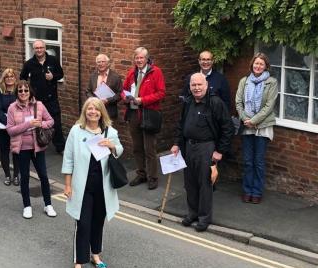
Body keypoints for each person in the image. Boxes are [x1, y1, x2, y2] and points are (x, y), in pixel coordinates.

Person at [62, 97, 123, 268]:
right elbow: (68, 158)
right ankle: (79, 262)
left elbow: (120, 150)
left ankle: (95, 254)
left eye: (96, 109)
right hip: (83, 187)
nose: (93, 112)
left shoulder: (109, 131)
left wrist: (112, 145)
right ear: (85, 112)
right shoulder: (76, 131)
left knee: (98, 222)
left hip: (103, 188)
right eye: (89, 109)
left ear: (101, 112)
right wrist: (67, 184)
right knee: (83, 224)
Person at [171, 73, 234, 232]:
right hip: (188, 147)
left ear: (206, 86)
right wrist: (177, 143)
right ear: (190, 87)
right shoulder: (187, 102)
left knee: (205, 184)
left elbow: (228, 128)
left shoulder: (215, 103)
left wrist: (220, 151)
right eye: (194, 85)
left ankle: (204, 217)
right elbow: (181, 124)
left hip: (207, 148)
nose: (197, 88)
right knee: (190, 183)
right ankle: (192, 213)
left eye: (200, 85)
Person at [6, 80, 57, 219]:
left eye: (26, 90)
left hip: (38, 147)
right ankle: (27, 206)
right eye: (20, 90)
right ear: (17, 93)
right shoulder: (12, 108)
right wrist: (27, 124)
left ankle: (48, 205)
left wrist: (41, 123)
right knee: (25, 178)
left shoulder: (39, 105)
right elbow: (10, 130)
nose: (23, 93)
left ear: (30, 92)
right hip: (22, 147)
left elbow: (51, 121)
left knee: (44, 176)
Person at [235, 52, 278, 204]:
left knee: (258, 161)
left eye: (261, 64)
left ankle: (257, 191)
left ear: (266, 66)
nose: (258, 66)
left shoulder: (271, 82)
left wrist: (254, 120)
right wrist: (245, 118)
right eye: (256, 63)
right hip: (247, 126)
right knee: (247, 161)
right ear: (252, 64)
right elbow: (239, 102)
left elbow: (269, 106)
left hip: (263, 127)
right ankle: (247, 190)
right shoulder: (244, 81)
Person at [121, 47, 165, 190]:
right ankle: (141, 174)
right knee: (137, 147)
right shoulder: (131, 72)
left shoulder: (155, 72)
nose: (139, 60)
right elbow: (124, 90)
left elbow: (161, 93)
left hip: (148, 114)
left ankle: (152, 177)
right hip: (133, 114)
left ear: (147, 59)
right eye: (137, 58)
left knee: (149, 148)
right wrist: (125, 97)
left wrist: (143, 100)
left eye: (142, 58)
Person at [20, 39, 65, 154]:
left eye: (41, 48)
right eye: (37, 48)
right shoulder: (29, 64)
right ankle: (37, 145)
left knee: (56, 123)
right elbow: (23, 78)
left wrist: (53, 76)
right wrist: (27, 92)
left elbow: (61, 74)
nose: (39, 50)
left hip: (51, 99)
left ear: (45, 48)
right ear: (33, 49)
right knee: (36, 123)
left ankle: (60, 147)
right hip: (36, 100)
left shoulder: (53, 60)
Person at [0, 68, 20, 186]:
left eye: (12, 76)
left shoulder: (19, 90)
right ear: (4, 79)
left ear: (15, 78)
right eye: (7, 77)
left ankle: (16, 176)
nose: (9, 78)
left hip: (18, 127)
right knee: (4, 151)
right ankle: (7, 175)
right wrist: (9, 123)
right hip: (3, 126)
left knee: (16, 151)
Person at [85, 53, 123, 119]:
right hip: (95, 111)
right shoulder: (93, 76)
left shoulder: (115, 77)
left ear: (108, 63)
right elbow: (88, 91)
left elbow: (120, 94)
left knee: (108, 129)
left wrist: (108, 100)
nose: (101, 64)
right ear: (96, 64)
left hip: (109, 112)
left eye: (103, 62)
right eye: (99, 62)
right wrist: (94, 100)